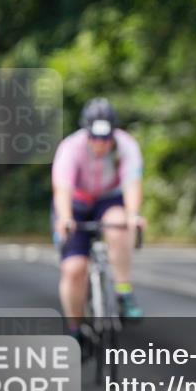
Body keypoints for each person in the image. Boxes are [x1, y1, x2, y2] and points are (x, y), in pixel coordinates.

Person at [51, 98, 146, 334]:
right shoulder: (71, 147)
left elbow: (132, 183)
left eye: (105, 138)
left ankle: (124, 292)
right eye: (94, 137)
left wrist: (133, 215)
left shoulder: (125, 145)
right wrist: (64, 218)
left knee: (119, 223)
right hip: (76, 203)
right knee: (74, 269)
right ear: (86, 132)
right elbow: (62, 188)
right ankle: (75, 327)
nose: (100, 144)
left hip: (108, 198)